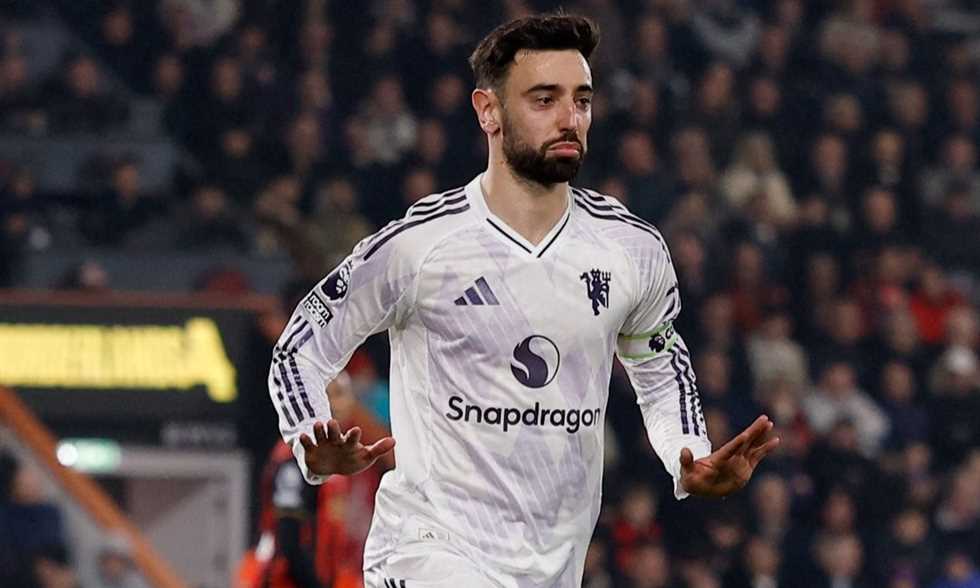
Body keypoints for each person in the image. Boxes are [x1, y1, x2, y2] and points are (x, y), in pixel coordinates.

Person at [268, 13, 779, 588]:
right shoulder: (421, 246)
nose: (570, 118)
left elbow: (658, 365)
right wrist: (310, 437)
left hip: (553, 564)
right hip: (427, 551)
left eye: (581, 100)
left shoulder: (630, 249)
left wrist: (689, 455)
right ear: (488, 110)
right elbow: (299, 348)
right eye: (544, 99)